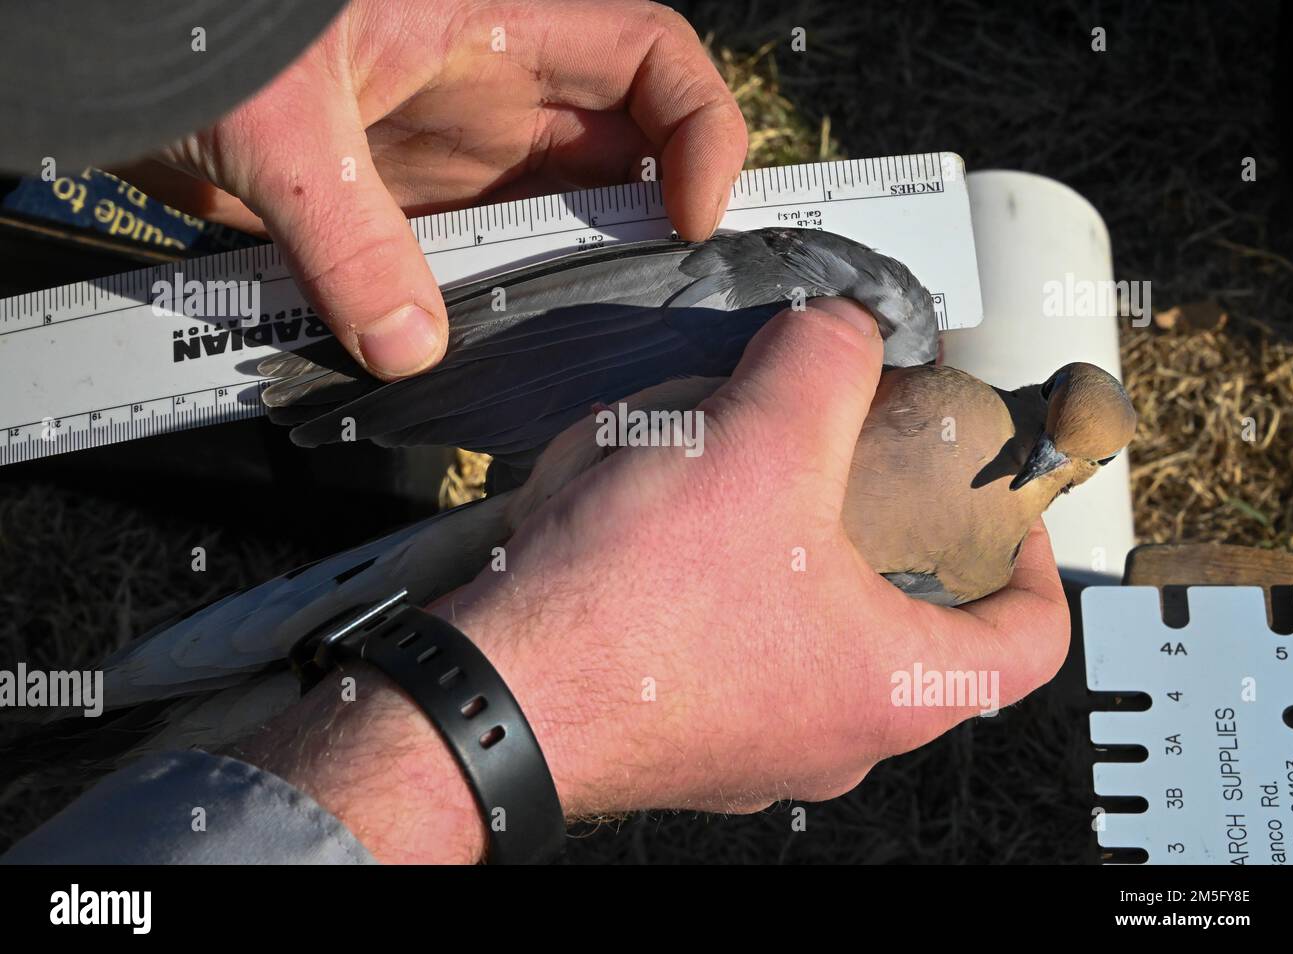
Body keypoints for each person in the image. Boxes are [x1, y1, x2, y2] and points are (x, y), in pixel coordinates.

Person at [0, 0, 1069, 864]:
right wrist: (549, 704)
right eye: (1048, 430)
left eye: (1072, 467)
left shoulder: (972, 536)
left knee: (197, 690)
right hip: (535, 522)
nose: (1048, 463)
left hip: (533, 530)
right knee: (192, 687)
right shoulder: (889, 340)